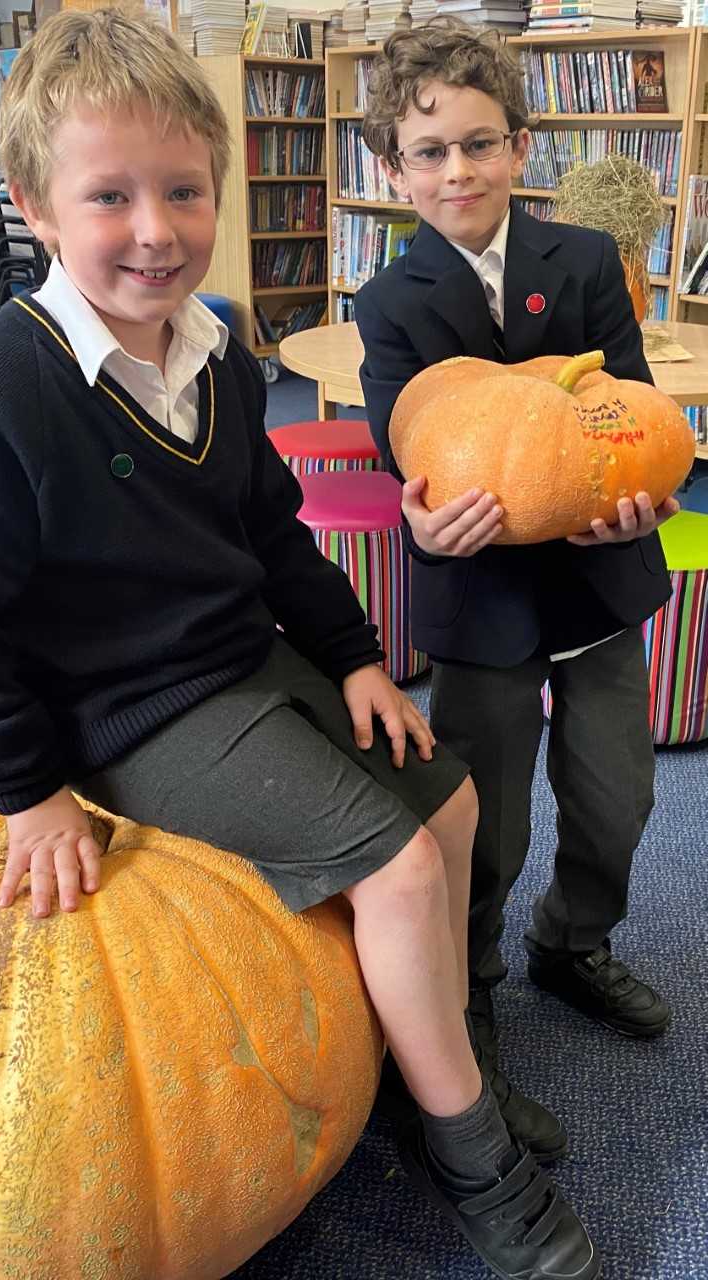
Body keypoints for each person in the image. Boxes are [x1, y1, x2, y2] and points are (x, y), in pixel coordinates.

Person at [0, 11, 599, 1278]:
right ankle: (467, 1144)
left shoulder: (214, 350)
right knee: (399, 866)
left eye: (182, 190)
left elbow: (273, 535)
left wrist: (357, 655)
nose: (154, 229)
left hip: (242, 659)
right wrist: (29, 789)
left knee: (451, 802)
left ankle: (428, 1054)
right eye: (110, 196)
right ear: (40, 209)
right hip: (125, 712)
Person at [355, 20, 674, 1097]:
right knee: (483, 807)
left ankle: (572, 940)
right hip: (480, 590)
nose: (460, 171)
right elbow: (410, 445)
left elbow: (622, 403)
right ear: (395, 170)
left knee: (616, 794)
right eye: (432, 152)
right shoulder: (391, 302)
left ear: (520, 148)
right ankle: (472, 971)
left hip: (593, 577)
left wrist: (638, 505)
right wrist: (423, 523)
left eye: (480, 144)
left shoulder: (581, 261)